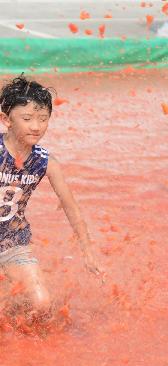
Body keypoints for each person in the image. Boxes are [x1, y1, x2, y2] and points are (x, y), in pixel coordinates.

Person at [0, 76, 100, 320]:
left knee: (41, 304)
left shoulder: (45, 162)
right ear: (6, 120)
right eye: (27, 119)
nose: (36, 126)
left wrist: (87, 250)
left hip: (12, 240)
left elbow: (71, 207)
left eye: (43, 119)